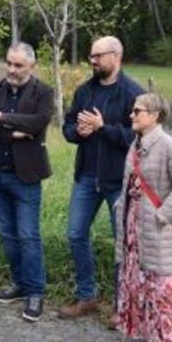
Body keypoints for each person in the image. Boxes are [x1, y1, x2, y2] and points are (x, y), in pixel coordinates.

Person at [59, 36, 144, 320]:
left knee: (122, 243)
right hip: (86, 176)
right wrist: (77, 132)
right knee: (75, 234)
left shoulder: (134, 94)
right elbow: (67, 127)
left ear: (116, 56)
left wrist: (103, 128)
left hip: (118, 181)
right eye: (91, 56)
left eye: (98, 56)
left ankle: (122, 306)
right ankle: (87, 297)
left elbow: (138, 138)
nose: (92, 61)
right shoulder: (85, 91)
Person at [0, 42, 54, 322]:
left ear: (31, 66)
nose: (11, 69)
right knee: (8, 234)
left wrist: (3, 118)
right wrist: (12, 132)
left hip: (26, 176)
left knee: (28, 235)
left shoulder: (43, 92)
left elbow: (38, 123)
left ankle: (35, 292)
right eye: (9, 63)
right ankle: (19, 284)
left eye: (18, 65)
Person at [114, 93, 172, 342]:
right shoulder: (134, 146)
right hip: (133, 226)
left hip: (159, 228)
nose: (132, 115)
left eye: (138, 111)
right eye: (133, 110)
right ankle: (152, 339)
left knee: (165, 287)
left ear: (155, 115)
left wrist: (162, 216)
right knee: (142, 285)